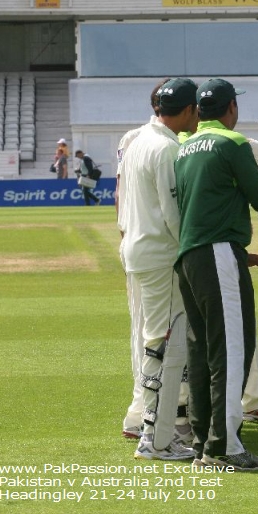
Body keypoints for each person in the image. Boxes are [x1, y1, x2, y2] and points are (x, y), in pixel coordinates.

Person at [175, 78, 258, 471]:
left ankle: (204, 439)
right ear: (231, 110)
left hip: (189, 255)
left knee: (202, 351)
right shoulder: (232, 143)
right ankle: (224, 448)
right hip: (219, 252)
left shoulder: (184, 147)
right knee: (231, 349)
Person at [119, 78, 199, 461]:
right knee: (164, 344)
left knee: (158, 340)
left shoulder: (138, 142)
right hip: (161, 256)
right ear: (187, 110)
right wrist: (193, 253)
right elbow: (174, 215)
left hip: (140, 252)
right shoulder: (166, 148)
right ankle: (154, 436)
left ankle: (158, 428)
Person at [117, 77, 168, 441]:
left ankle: (146, 413)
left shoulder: (135, 139)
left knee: (148, 332)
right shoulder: (148, 141)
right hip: (154, 248)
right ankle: (146, 417)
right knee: (155, 335)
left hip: (136, 245)